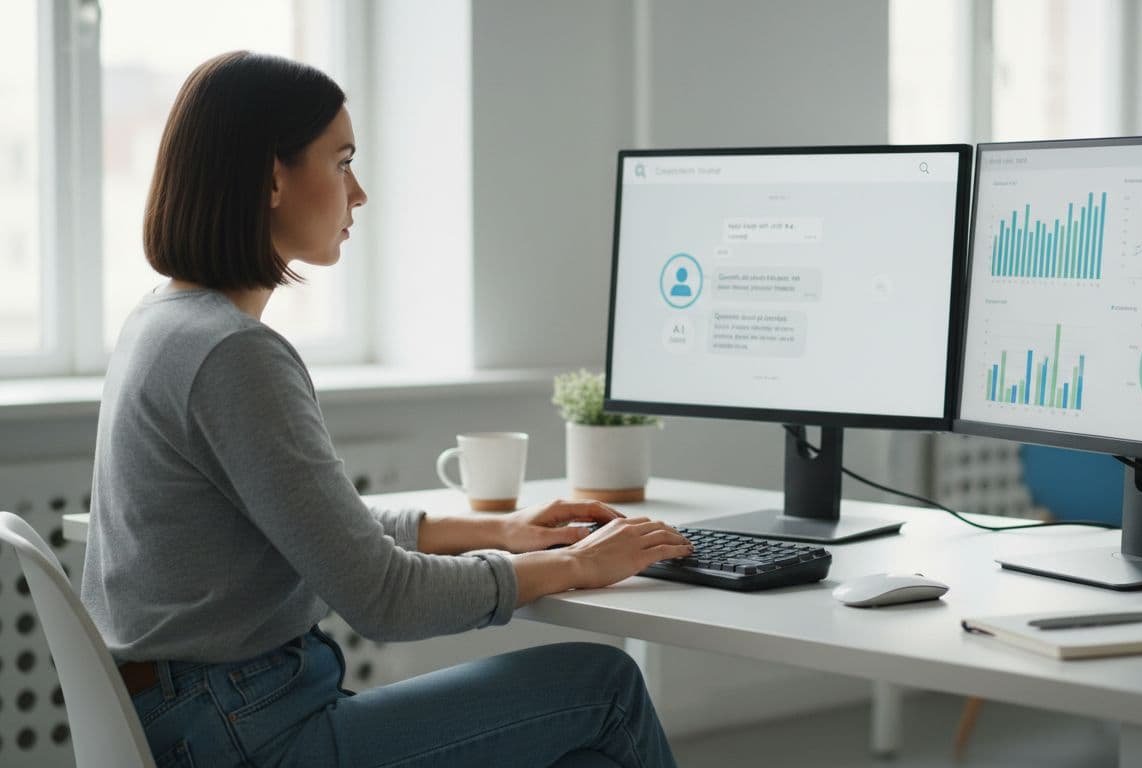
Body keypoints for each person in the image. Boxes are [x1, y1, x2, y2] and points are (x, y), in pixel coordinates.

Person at [80, 50, 691, 768]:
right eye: (342, 162)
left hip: (201, 717)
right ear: (272, 178)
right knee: (606, 687)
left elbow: (320, 525)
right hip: (248, 731)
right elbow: (384, 597)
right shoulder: (232, 354)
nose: (359, 192)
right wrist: (576, 566)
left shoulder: (164, 323)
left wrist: (500, 529)